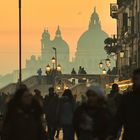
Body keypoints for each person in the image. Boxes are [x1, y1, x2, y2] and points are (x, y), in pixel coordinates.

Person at [107, 68, 140, 140]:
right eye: (134, 79)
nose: (134, 81)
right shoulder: (127, 98)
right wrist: (112, 133)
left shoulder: (126, 97)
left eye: (137, 79)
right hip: (130, 136)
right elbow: (119, 118)